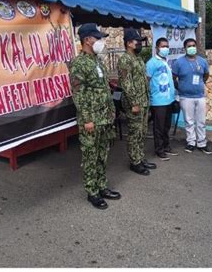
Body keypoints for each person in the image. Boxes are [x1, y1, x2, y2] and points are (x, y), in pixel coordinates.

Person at [69, 23, 121, 210]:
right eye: (97, 37)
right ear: (87, 39)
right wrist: (88, 119)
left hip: (104, 117)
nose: (100, 41)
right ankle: (92, 191)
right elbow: (78, 93)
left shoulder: (97, 60)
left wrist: (111, 112)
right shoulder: (79, 63)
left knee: (102, 155)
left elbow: (104, 89)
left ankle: (102, 186)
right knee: (91, 156)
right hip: (91, 120)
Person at [117, 28, 157, 176]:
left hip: (143, 101)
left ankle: (140, 158)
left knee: (142, 132)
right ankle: (135, 162)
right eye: (137, 42)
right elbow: (127, 84)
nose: (140, 44)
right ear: (128, 43)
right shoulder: (124, 60)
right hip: (134, 103)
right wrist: (134, 103)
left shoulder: (138, 59)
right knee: (134, 133)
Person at [172, 38, 212, 154]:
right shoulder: (179, 62)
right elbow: (173, 77)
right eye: (189, 46)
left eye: (193, 45)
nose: (192, 48)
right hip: (185, 96)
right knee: (189, 121)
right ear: (185, 48)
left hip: (200, 95)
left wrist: (201, 83)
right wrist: (179, 87)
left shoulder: (202, 61)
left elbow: (206, 75)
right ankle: (191, 142)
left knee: (201, 121)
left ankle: (202, 143)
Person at [146, 37, 178, 161]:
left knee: (166, 126)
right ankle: (159, 150)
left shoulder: (166, 61)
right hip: (158, 101)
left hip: (169, 100)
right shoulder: (152, 63)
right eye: (163, 46)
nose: (165, 48)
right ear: (157, 48)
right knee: (158, 127)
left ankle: (166, 146)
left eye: (167, 46)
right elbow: (147, 80)